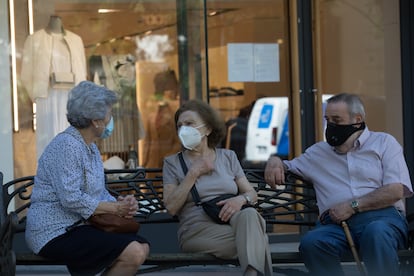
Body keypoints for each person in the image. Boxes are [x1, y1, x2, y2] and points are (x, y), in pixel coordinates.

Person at [264, 93, 413, 276]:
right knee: (313, 242)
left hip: (382, 219)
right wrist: (274, 161)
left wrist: (352, 206)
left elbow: (395, 190)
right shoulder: (318, 153)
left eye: (337, 120)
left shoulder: (384, 143)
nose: (330, 126)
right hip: (337, 225)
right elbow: (286, 166)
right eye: (328, 120)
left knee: (376, 233)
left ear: (357, 120)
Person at [25, 81, 149, 275]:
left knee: (142, 247)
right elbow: (71, 198)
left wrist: (121, 203)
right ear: (96, 120)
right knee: (133, 252)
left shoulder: (89, 146)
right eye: (109, 114)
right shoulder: (67, 145)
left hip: (80, 227)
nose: (111, 119)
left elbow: (97, 193)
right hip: (55, 232)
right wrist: (114, 208)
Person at [163, 99, 273, 276]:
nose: (184, 129)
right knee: (258, 239)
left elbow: (251, 193)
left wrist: (240, 199)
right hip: (197, 230)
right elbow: (171, 207)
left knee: (250, 214)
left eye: (189, 123)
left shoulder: (228, 157)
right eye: (180, 125)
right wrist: (193, 173)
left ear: (207, 129)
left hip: (233, 222)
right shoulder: (172, 163)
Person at [21, 15, 87, 160]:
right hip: (47, 98)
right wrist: (36, 94)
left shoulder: (76, 40)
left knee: (72, 139)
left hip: (71, 98)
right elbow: (26, 73)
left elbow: (82, 68)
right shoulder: (34, 39)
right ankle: (49, 178)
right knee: (48, 140)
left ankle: (72, 177)